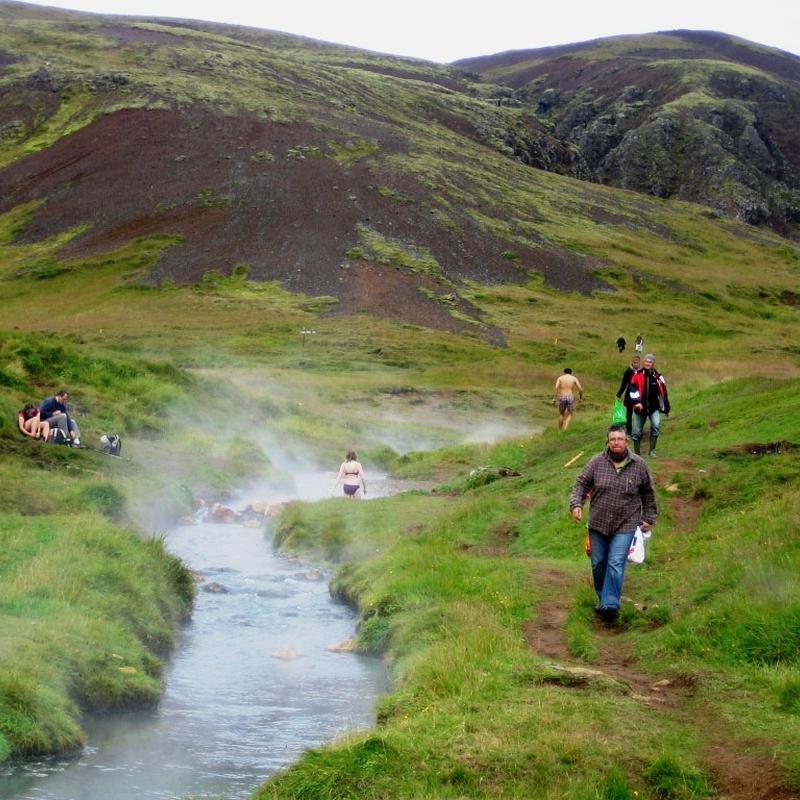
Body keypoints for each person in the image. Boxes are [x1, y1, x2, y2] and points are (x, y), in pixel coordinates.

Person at [569, 424, 657, 623]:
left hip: (626, 524)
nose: (616, 442)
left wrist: (649, 517)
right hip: (598, 523)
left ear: (627, 441)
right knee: (598, 564)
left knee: (616, 562)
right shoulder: (596, 462)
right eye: (613, 439)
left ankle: (610, 605)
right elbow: (581, 484)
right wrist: (577, 505)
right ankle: (604, 599)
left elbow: (648, 493)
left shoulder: (639, 465)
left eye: (620, 439)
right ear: (607, 442)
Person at [628, 354, 670, 457]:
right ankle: (637, 455)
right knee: (636, 433)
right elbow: (632, 389)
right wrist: (637, 402)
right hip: (640, 409)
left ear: (653, 363)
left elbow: (663, 392)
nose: (648, 363)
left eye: (650, 362)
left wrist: (666, 407)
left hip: (654, 408)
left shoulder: (658, 377)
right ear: (643, 362)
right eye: (646, 361)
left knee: (656, 426)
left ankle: (652, 451)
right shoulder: (637, 375)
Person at [615, 355, 641, 436]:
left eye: (637, 362)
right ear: (632, 363)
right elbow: (624, 383)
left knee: (638, 413)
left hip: (639, 395)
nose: (636, 364)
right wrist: (619, 394)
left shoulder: (642, 371)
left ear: (639, 363)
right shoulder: (628, 371)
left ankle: (638, 430)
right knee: (629, 414)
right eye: (634, 362)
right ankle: (629, 430)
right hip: (629, 395)